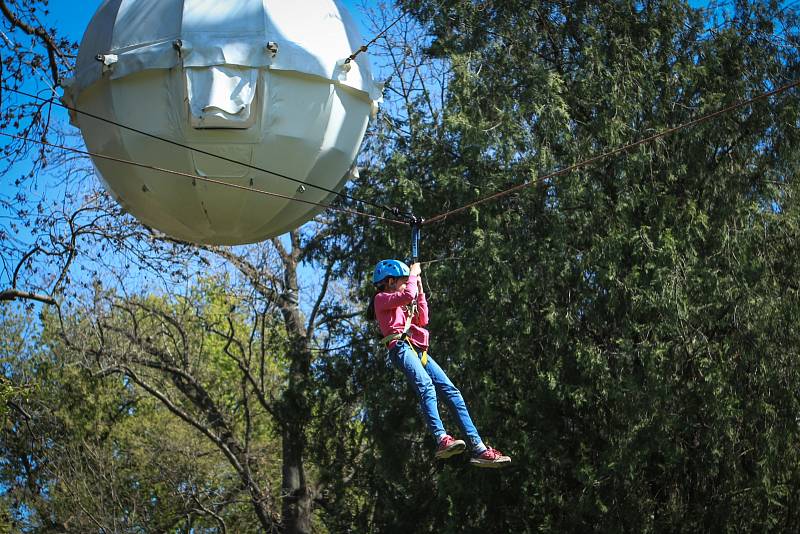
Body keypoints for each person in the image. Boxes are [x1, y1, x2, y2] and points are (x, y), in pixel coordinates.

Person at [367, 259, 511, 468]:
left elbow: (423, 319)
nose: (409, 284)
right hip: (400, 348)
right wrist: (414, 275)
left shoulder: (402, 303)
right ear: (390, 281)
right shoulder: (382, 299)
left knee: (452, 392)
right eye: (404, 281)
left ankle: (479, 448)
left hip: (416, 350)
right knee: (426, 385)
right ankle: (442, 438)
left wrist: (421, 290)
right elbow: (407, 294)